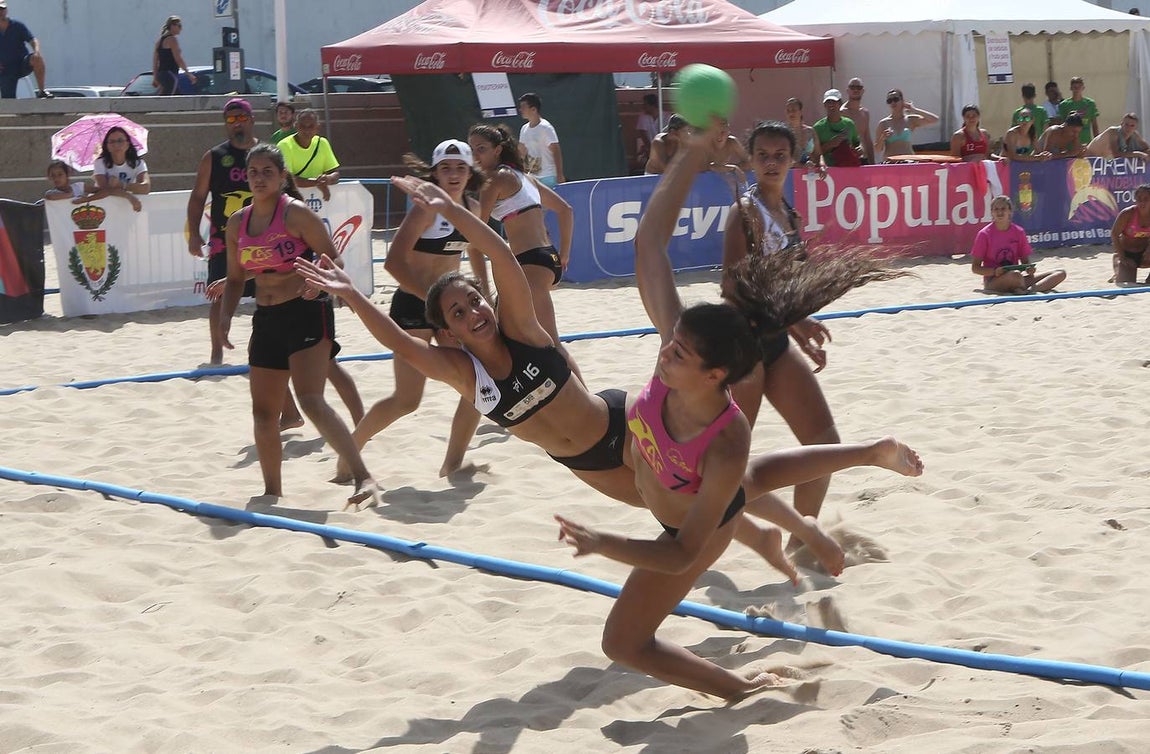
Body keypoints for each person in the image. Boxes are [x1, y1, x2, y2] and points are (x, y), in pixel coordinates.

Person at [296, 173, 922, 583]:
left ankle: (802, 523)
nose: (474, 311)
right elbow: (397, 340)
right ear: (452, 332)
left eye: (474, 301)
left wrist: (455, 211)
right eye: (459, 313)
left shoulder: (522, 328)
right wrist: (352, 294)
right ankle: (771, 535)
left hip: (621, 425)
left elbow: (503, 258)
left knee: (705, 493)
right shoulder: (464, 372)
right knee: (685, 513)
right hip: (589, 464)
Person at [553, 123, 921, 700]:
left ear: (714, 375)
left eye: (678, 353)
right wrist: (693, 153)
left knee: (629, 635)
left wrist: (603, 543)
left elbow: (680, 552)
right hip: (660, 469)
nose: (664, 353)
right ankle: (861, 465)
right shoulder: (683, 356)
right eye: (670, 344)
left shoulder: (726, 436)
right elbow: (649, 243)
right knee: (751, 478)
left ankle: (741, 688)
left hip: (688, 525)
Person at [723, 119, 889, 526]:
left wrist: (799, 322)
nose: (771, 163)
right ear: (750, 159)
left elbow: (785, 287)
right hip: (744, 343)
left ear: (794, 159)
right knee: (727, 459)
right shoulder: (745, 213)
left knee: (824, 445)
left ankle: (803, 537)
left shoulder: (790, 215)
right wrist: (794, 322)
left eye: (780, 155)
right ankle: (685, 534)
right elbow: (732, 287)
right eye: (762, 155)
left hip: (776, 340)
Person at [218, 143, 381, 509]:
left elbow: (333, 257)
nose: (259, 178)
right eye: (254, 172)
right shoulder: (236, 223)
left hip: (307, 309)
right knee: (263, 414)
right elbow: (234, 278)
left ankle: (363, 475)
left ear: (281, 178)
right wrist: (225, 317)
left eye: (267, 172)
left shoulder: (296, 215)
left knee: (311, 400)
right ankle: (271, 491)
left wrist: (317, 281)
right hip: (267, 317)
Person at [337, 139, 488, 481]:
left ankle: (453, 463)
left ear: (470, 172)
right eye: (446, 168)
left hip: (451, 307)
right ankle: (348, 455)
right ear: (434, 173)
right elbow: (393, 262)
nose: (453, 175)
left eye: (460, 168)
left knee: (480, 386)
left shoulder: (472, 208)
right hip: (414, 304)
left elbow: (477, 253)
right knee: (407, 400)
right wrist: (434, 300)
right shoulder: (426, 208)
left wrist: (485, 300)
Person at [467, 123, 580, 384]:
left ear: (497, 150)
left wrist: (483, 285)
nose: (475, 156)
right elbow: (566, 211)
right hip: (545, 260)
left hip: (530, 263)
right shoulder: (523, 177)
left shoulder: (496, 178)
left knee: (550, 343)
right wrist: (563, 255)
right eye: (471, 149)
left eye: (481, 149)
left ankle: (589, 403)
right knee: (516, 336)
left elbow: (478, 233)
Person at [188, 98, 262, 365]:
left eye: (241, 117)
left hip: (262, 237)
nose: (237, 123)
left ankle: (259, 350)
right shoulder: (214, 157)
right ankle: (216, 352)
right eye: (230, 119)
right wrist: (195, 234)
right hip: (224, 239)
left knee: (265, 295)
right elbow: (197, 197)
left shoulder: (266, 154)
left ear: (252, 119)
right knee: (219, 295)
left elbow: (286, 195)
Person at [971, 195, 1066, 294]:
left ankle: (1029, 291)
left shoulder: (1018, 232)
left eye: (1003, 209)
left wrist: (1029, 269)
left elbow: (1025, 262)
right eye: (996, 209)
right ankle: (1023, 289)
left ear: (1010, 212)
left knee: (1060, 273)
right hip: (994, 281)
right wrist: (994, 271)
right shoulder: (984, 234)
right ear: (992, 213)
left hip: (1017, 277)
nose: (999, 212)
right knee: (1015, 276)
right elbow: (975, 268)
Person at [278, 108, 340, 202]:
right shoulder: (284, 145)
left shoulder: (322, 143)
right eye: (303, 126)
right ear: (296, 126)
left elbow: (335, 173)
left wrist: (328, 179)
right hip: (292, 202)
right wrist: (317, 183)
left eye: (311, 126)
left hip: (320, 201)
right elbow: (288, 179)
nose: (307, 130)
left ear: (317, 127)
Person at [83, 127, 150, 212]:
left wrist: (121, 185)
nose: (116, 145)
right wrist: (129, 196)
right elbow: (104, 189)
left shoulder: (139, 163)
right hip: (103, 208)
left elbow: (145, 187)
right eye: (111, 142)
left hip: (127, 208)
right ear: (107, 146)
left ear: (127, 144)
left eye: (120, 141)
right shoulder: (100, 163)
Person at [0, 1, 51, 99]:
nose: (0, 12)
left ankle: (42, 91)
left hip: (22, 64)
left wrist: (37, 52)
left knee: (36, 59)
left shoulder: (17, 25)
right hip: (5, 70)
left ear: (6, 10)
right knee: (8, 101)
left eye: (3, 9)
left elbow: (33, 40)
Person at [874, 89, 938, 160]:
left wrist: (914, 110)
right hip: (890, 163)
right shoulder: (883, 123)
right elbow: (877, 150)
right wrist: (882, 138)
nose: (893, 102)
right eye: (889, 101)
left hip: (908, 161)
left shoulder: (911, 120)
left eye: (895, 99)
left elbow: (934, 119)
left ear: (902, 101)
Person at [517, 92, 564, 186]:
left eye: (523, 107)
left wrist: (559, 175)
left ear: (533, 109)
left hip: (548, 177)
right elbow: (522, 152)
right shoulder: (524, 129)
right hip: (532, 178)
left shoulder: (546, 128)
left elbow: (556, 151)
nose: (520, 110)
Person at [1109, 184, 1150, 285]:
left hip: (1144, 254)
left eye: (1146, 199)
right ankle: (1117, 262)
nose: (1142, 202)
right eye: (1139, 199)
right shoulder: (1127, 214)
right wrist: (1122, 256)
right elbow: (1114, 234)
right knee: (1126, 283)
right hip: (1128, 254)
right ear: (1135, 200)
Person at [813, 89, 862, 168]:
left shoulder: (849, 124)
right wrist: (831, 144)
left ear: (840, 103)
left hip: (848, 170)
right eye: (828, 102)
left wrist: (859, 149)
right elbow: (814, 155)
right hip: (827, 173)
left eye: (834, 101)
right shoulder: (817, 128)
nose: (831, 104)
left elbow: (857, 143)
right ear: (824, 105)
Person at [152, 15, 195, 96]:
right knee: (168, 101)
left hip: (162, 74)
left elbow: (155, 62)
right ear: (172, 26)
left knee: (177, 101)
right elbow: (178, 59)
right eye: (179, 26)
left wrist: (155, 78)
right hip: (170, 75)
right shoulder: (172, 39)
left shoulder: (159, 41)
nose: (181, 28)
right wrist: (188, 74)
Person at [1058, 77, 1099, 146]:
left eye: (1079, 87)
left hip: (1086, 141)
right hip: (1069, 143)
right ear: (1071, 88)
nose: (1077, 89)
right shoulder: (1064, 105)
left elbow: (1094, 124)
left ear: (1083, 88)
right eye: (1074, 87)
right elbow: (1061, 126)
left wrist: (1097, 143)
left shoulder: (1090, 103)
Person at [842, 78, 874, 165]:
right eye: (852, 87)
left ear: (863, 91)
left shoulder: (865, 113)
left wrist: (873, 164)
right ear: (847, 90)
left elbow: (867, 140)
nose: (855, 90)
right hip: (847, 161)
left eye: (858, 87)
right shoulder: (842, 112)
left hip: (864, 160)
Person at [783, 98, 820, 165]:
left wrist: (822, 165)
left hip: (809, 172)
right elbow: (782, 158)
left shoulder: (811, 131)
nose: (791, 113)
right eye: (788, 111)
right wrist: (801, 166)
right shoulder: (784, 133)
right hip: (790, 174)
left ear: (800, 112)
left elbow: (818, 154)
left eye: (794, 110)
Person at [634, 93, 661, 170]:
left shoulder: (667, 116)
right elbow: (644, 136)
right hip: (650, 151)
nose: (643, 107)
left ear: (652, 105)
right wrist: (651, 151)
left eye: (645, 104)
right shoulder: (643, 117)